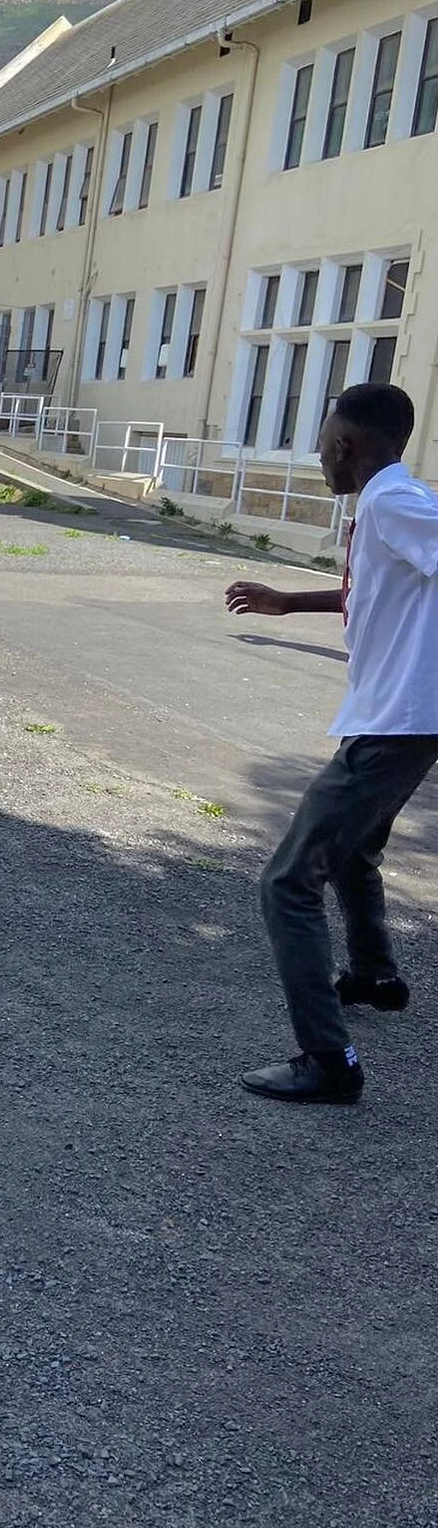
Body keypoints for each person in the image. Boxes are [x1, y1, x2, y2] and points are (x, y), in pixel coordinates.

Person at [225, 383, 438, 1106]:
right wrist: (289, 601)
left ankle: (328, 1060)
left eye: (321, 442)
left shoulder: (388, 500)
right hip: (395, 716)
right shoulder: (385, 507)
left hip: (399, 723)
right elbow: (382, 589)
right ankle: (375, 976)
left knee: (288, 881)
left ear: (344, 445)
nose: (319, 454)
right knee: (356, 849)